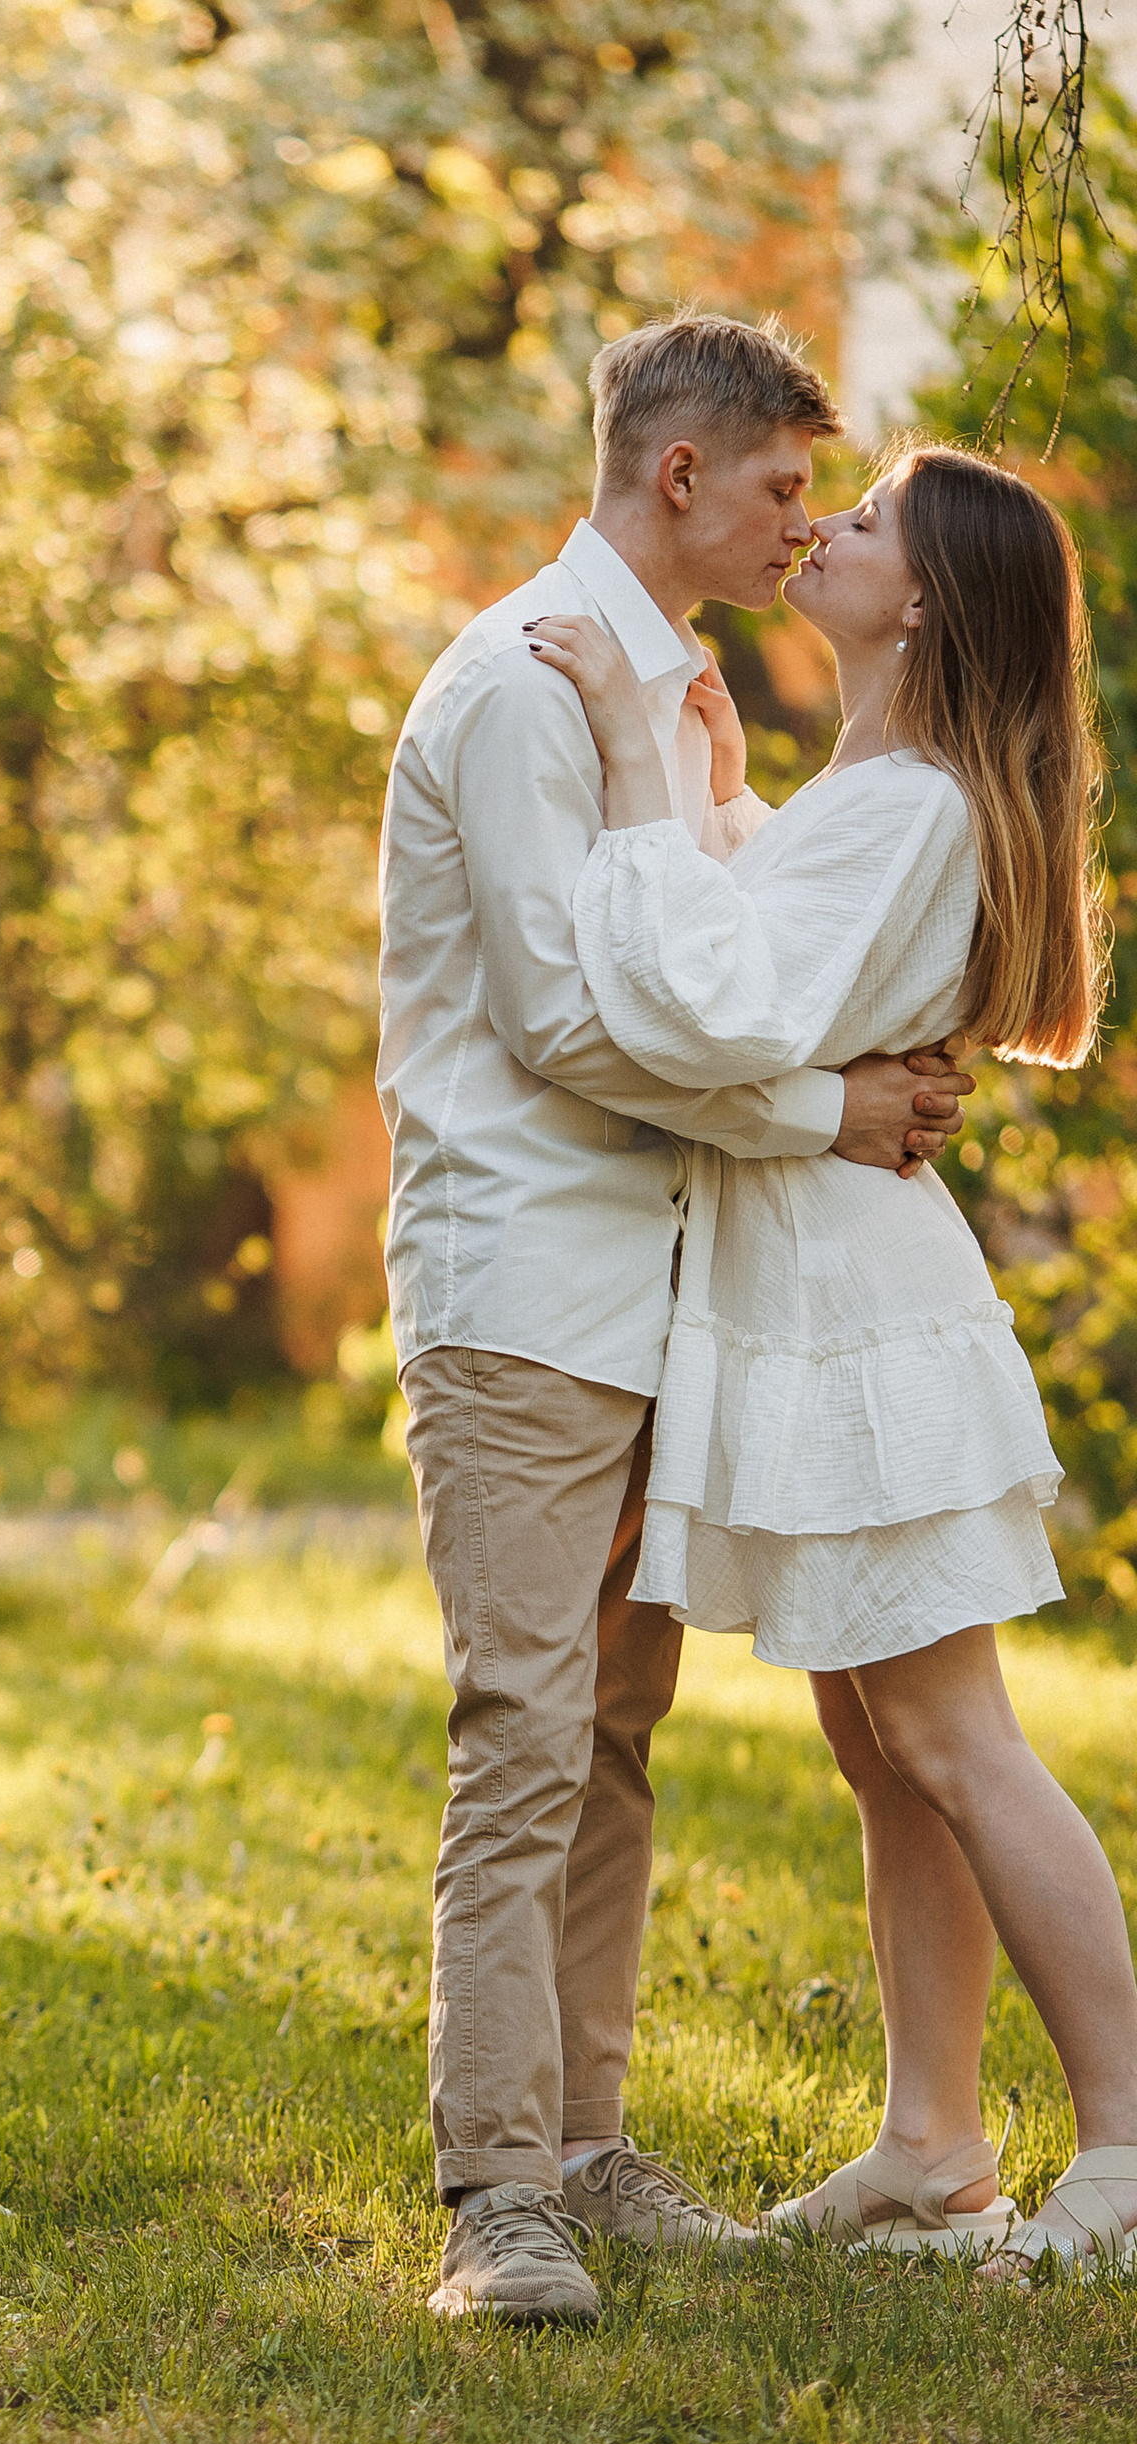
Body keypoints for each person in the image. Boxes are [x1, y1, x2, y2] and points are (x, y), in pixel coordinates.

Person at [376, 313, 972, 2327]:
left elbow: (714, 952)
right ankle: (494, 2201)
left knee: (615, 1736)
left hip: (660, 1296)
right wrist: (835, 1110)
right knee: (524, 1725)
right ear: (677, 477)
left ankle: (586, 2144)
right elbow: (575, 1018)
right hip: (524, 1291)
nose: (803, 521)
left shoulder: (659, 694)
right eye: (786, 483)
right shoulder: (520, 685)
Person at [532, 440, 1137, 2281]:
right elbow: (774, 959)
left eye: (862, 521)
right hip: (815, 1294)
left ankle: (1124, 2144)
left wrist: (641, 774)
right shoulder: (874, 784)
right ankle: (936, 2146)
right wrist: (723, 802)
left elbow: (710, 1013)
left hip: (857, 1316)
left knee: (952, 1736)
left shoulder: (916, 801)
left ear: (929, 597)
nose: (826, 528)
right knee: (883, 1749)